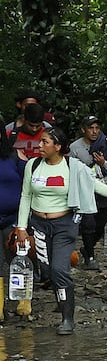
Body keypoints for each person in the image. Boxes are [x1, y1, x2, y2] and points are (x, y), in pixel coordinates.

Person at [14, 127, 107, 334]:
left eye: (45, 142)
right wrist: (21, 227)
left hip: (64, 224)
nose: (40, 145)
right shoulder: (33, 165)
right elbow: (26, 196)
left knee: (59, 269)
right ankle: (62, 301)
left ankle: (67, 319)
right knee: (48, 271)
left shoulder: (73, 167)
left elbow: (97, 186)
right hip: (39, 225)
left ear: (58, 147)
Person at [69, 115, 107, 270]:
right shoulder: (75, 147)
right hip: (84, 190)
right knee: (88, 223)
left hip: (103, 189)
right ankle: (90, 256)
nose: (94, 131)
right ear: (83, 130)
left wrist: (104, 163)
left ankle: (88, 247)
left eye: (97, 128)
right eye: (91, 128)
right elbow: (69, 168)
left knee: (101, 224)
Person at [0, 133, 28, 320]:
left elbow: (29, 187)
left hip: (14, 219)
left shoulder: (15, 156)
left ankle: (23, 304)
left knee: (18, 261)